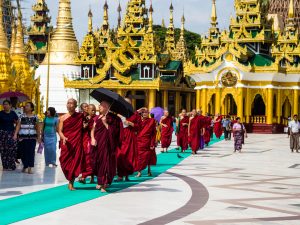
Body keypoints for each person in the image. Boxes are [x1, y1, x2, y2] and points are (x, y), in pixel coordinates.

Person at [90, 101, 121, 192]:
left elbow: (115, 133)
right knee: (98, 162)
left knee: (105, 163)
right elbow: (93, 129)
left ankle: (104, 183)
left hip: (107, 145)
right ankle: (100, 182)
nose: (99, 107)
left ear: (107, 107)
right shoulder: (97, 117)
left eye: (102, 105)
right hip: (97, 144)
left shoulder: (113, 118)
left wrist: (106, 124)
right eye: (99, 105)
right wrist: (92, 138)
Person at [58, 99, 84, 190]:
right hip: (66, 142)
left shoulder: (80, 116)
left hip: (76, 142)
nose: (69, 105)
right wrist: (63, 137)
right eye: (68, 103)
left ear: (76, 106)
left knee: (74, 162)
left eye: (72, 103)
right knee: (63, 161)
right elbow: (60, 131)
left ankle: (71, 182)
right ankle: (69, 178)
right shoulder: (62, 118)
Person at [117, 100, 144, 181]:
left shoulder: (135, 114)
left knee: (128, 155)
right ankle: (120, 175)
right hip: (119, 135)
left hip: (129, 136)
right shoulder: (118, 112)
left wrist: (130, 123)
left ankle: (127, 175)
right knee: (120, 155)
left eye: (128, 103)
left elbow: (139, 126)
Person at [15, 102, 41, 174]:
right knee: (23, 152)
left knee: (31, 152)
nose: (25, 107)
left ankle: (30, 167)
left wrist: (39, 137)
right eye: (25, 106)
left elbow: (38, 127)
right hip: (22, 137)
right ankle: (25, 165)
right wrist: (15, 134)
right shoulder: (21, 116)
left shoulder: (35, 117)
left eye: (27, 106)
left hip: (32, 138)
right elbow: (18, 126)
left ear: (31, 108)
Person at [136, 109, 157, 177]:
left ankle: (149, 170)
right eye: (143, 112)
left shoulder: (151, 121)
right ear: (141, 114)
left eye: (146, 112)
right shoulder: (138, 120)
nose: (145, 114)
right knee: (139, 157)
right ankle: (139, 172)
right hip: (139, 141)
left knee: (148, 157)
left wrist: (152, 143)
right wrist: (137, 111)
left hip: (148, 141)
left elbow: (153, 133)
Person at [79, 104, 97, 184]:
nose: (93, 111)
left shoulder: (97, 118)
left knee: (91, 157)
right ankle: (85, 175)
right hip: (86, 139)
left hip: (94, 139)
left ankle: (89, 176)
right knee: (86, 157)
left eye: (94, 110)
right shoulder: (84, 118)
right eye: (91, 110)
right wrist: (83, 126)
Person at [0, 100, 19, 170]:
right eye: (4, 104)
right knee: (3, 149)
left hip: (11, 133)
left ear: (10, 105)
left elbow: (18, 123)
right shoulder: (1, 113)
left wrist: (16, 132)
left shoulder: (13, 113)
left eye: (6, 104)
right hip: (2, 133)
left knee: (12, 149)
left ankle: (12, 164)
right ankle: (5, 166)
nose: (5, 106)